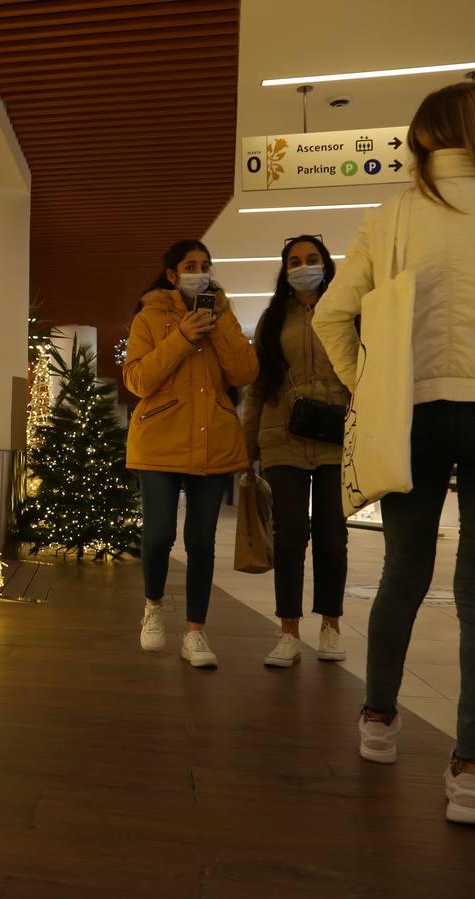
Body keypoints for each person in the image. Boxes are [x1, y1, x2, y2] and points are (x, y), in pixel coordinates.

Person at [312, 81, 475, 826]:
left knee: (404, 572)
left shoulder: (392, 214)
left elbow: (332, 312)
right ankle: (473, 772)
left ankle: (379, 719)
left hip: (415, 411)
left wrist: (371, 388)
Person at [124, 240, 258, 668]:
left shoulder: (224, 315)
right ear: (171, 275)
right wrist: (182, 336)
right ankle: (153, 608)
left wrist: (217, 326)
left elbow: (245, 372)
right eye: (190, 266)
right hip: (159, 439)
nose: (199, 272)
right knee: (160, 534)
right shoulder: (149, 317)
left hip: (212, 441)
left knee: (202, 541)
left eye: (205, 265)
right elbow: (138, 380)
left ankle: (196, 633)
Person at [242, 235, 350, 668]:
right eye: (295, 261)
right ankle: (287, 630)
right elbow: (257, 387)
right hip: (281, 435)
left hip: (334, 435)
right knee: (289, 536)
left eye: (312, 259)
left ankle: (331, 624)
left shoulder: (347, 311)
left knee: (332, 535)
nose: (304, 266)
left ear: (326, 265)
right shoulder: (273, 320)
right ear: (285, 270)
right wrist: (245, 449)